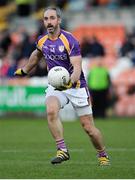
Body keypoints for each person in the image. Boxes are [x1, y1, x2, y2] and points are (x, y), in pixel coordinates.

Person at [14, 6, 110, 166]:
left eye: (52, 18)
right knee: (51, 110)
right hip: (56, 85)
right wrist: (25, 70)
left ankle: (103, 155)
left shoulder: (70, 40)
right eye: (46, 19)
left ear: (59, 20)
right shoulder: (42, 40)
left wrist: (70, 81)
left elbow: (77, 67)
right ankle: (62, 150)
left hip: (76, 86)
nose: (49, 22)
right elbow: (36, 55)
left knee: (89, 128)